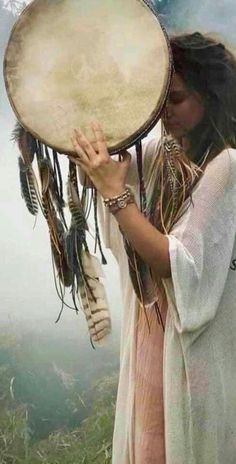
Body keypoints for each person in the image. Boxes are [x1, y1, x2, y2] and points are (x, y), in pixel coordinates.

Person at [68, 32, 236, 464]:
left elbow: (175, 262)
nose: (165, 114)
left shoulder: (227, 165)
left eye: (176, 100)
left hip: (187, 354)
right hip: (153, 344)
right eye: (160, 100)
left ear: (211, 95)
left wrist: (114, 194)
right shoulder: (162, 155)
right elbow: (115, 189)